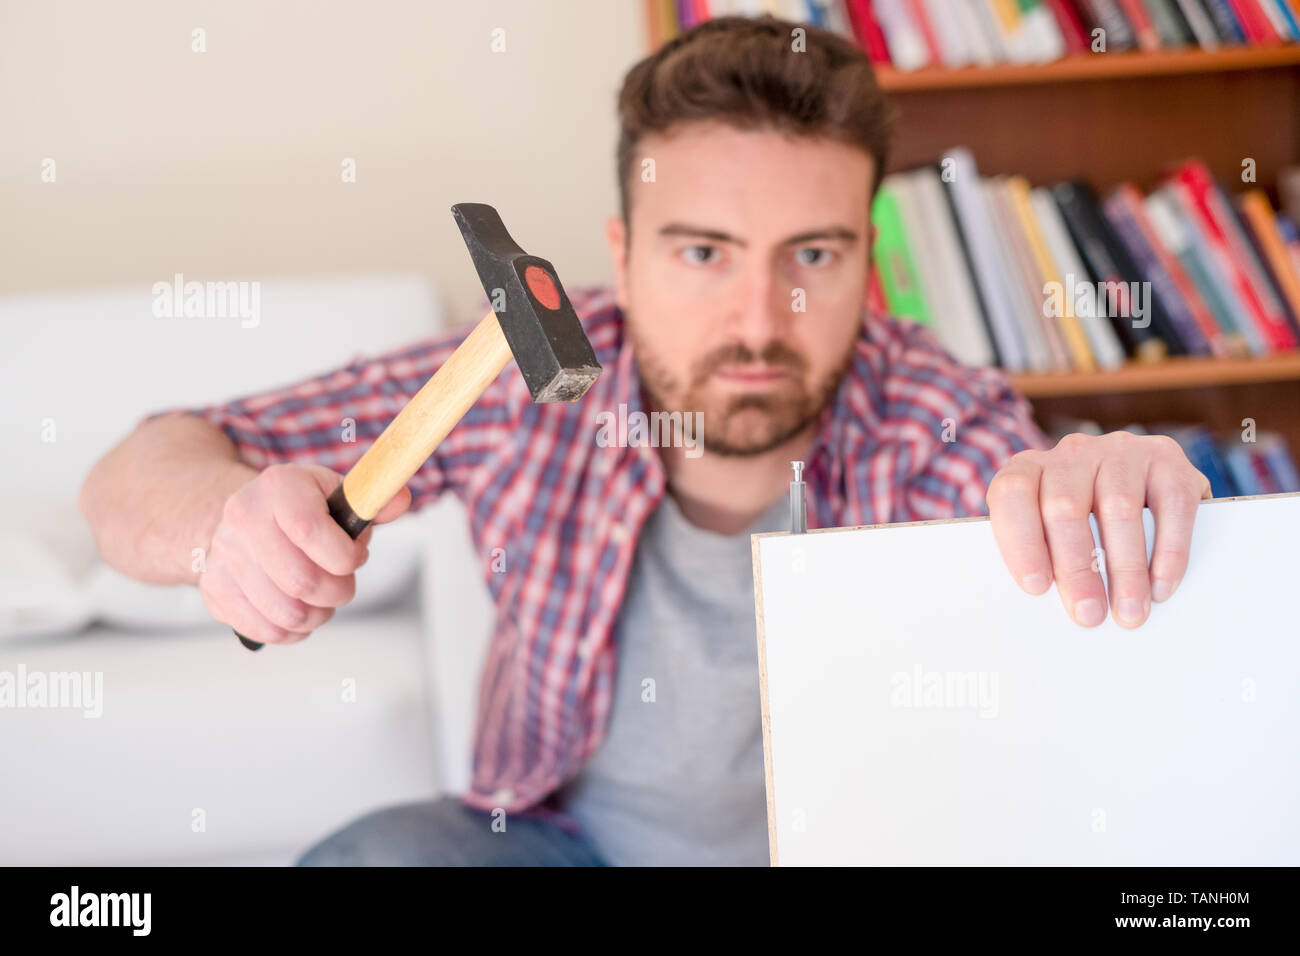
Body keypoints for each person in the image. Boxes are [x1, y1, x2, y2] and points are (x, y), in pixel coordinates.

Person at [80, 16, 1211, 866]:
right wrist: (219, 528)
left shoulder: (926, 403)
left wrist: (1093, 488)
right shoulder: (517, 373)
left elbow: (1032, 486)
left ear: (869, 258)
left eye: (812, 254)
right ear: (621, 256)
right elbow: (148, 461)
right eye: (704, 253)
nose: (759, 320)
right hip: (559, 844)